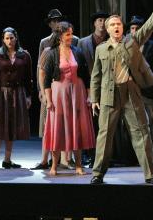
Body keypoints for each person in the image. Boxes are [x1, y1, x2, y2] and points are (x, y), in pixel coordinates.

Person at [89, 0, 153, 185]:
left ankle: (151, 175)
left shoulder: (132, 42)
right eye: (112, 24)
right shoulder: (101, 49)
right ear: (107, 29)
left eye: (119, 24)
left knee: (142, 132)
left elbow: (148, 26)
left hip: (131, 91)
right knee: (105, 135)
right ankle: (97, 174)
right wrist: (94, 98)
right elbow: (96, 75)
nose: (116, 27)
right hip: (109, 93)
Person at [43, 22, 95, 175]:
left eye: (71, 34)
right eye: (67, 34)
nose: (70, 37)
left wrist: (89, 95)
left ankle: (78, 165)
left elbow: (86, 75)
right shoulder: (52, 53)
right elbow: (47, 80)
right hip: (59, 94)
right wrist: (49, 100)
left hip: (77, 93)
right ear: (60, 36)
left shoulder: (77, 51)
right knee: (57, 128)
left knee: (77, 127)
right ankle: (54, 166)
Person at [38, 9, 79, 169]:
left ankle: (66, 160)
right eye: (53, 21)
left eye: (59, 20)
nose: (56, 23)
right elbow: (40, 68)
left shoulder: (74, 40)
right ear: (50, 24)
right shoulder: (45, 43)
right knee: (48, 123)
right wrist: (41, 91)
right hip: (51, 87)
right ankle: (44, 160)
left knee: (67, 123)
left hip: (69, 88)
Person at [0, 27, 32, 169]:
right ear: (3, 39)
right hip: (1, 93)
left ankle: (7, 160)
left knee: (11, 127)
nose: (9, 40)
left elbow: (28, 78)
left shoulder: (24, 55)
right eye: (7, 38)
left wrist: (29, 96)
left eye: (11, 37)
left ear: (16, 38)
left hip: (17, 93)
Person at [129, 15, 153, 166]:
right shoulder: (127, 44)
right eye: (132, 28)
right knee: (136, 125)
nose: (134, 31)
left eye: (137, 28)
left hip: (149, 90)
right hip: (132, 90)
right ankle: (139, 157)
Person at [77, 10, 109, 167]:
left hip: (109, 86)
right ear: (95, 23)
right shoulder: (83, 42)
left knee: (106, 123)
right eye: (100, 20)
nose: (102, 23)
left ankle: (105, 156)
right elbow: (79, 67)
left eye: (104, 20)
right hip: (89, 86)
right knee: (88, 122)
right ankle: (88, 155)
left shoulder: (112, 40)